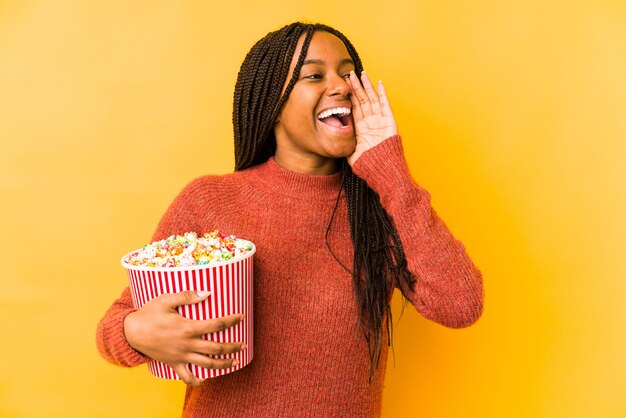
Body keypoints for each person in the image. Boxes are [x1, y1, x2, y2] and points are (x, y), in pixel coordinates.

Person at [96, 22, 484, 417]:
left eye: (348, 73)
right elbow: (112, 327)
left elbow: (460, 304)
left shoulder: (379, 211)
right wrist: (137, 332)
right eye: (315, 75)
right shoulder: (210, 201)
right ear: (272, 103)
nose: (343, 86)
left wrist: (392, 174)